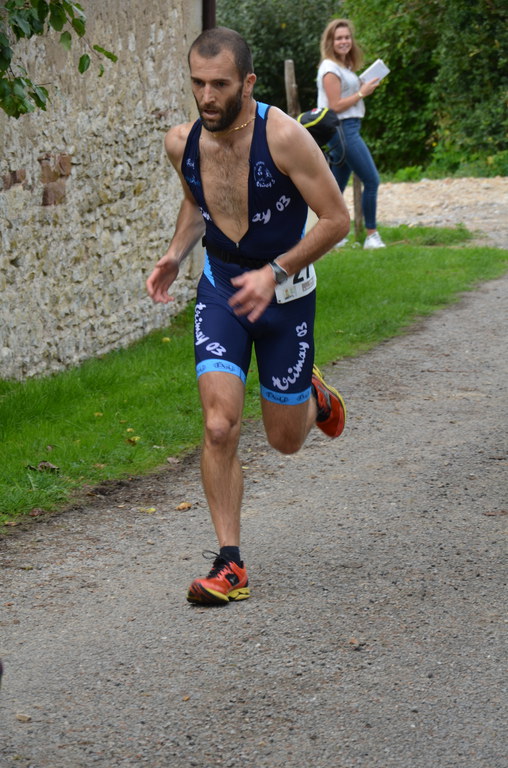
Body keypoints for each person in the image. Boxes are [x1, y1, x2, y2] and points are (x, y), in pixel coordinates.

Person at [146, 27, 350, 606]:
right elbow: (198, 201)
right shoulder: (181, 142)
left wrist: (275, 272)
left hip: (286, 296)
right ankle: (229, 563)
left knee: (284, 441)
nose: (207, 97)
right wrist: (175, 254)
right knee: (219, 426)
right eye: (198, 83)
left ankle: (312, 398)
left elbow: (337, 219)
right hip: (222, 290)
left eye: (220, 84)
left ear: (248, 82)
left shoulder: (283, 137)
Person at [317, 18, 386, 250]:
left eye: (347, 37)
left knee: (335, 188)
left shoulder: (343, 66)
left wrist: (362, 86)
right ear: (330, 42)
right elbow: (334, 105)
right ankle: (372, 236)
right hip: (342, 129)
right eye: (339, 38)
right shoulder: (330, 68)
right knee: (372, 180)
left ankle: (330, 237)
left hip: (348, 127)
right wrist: (362, 93)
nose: (344, 41)